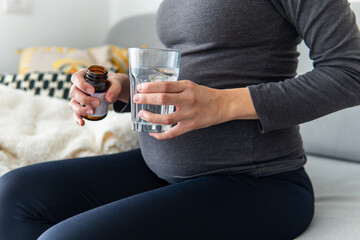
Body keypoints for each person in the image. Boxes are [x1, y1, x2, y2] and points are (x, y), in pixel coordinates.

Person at [1, 0, 360, 239]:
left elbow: (351, 72)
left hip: (258, 182)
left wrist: (221, 104)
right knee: (14, 194)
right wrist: (122, 87)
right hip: (163, 169)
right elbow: (194, 69)